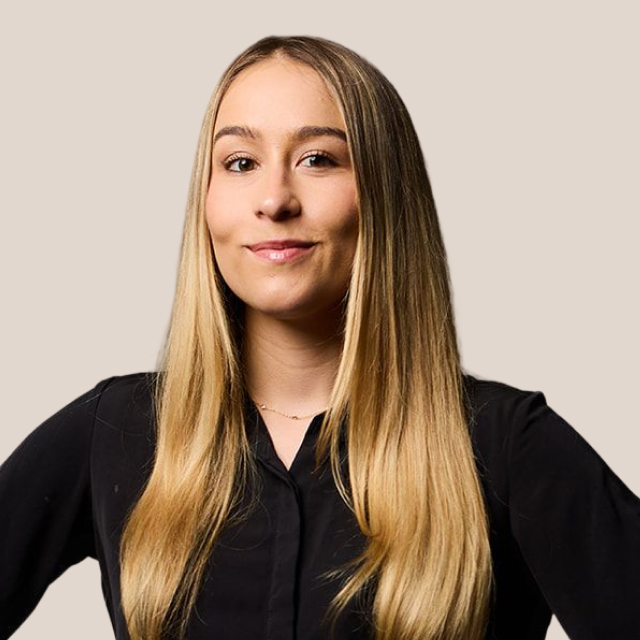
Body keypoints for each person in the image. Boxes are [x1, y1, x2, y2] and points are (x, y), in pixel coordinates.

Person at [0, 35, 638, 640]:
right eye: (241, 163)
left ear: (385, 196)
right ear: (207, 199)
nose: (274, 199)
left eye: (318, 159)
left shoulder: (508, 446)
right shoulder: (115, 431)